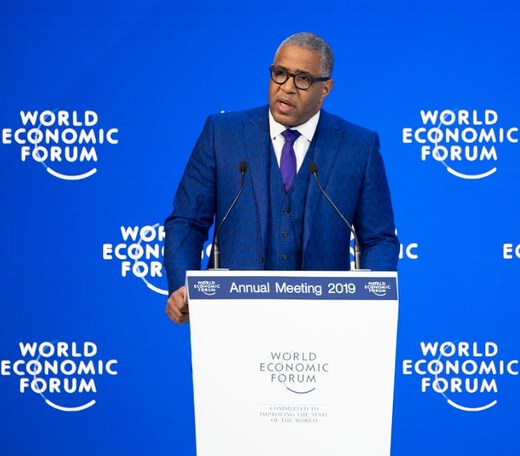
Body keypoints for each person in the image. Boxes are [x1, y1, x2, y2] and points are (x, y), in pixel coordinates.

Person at [164, 32, 399, 324]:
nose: (286, 88)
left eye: (302, 79)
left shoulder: (358, 147)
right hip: (232, 320)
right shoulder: (222, 135)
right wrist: (180, 286)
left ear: (325, 88)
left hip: (327, 323)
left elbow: (378, 239)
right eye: (279, 74)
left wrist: (373, 300)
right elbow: (187, 221)